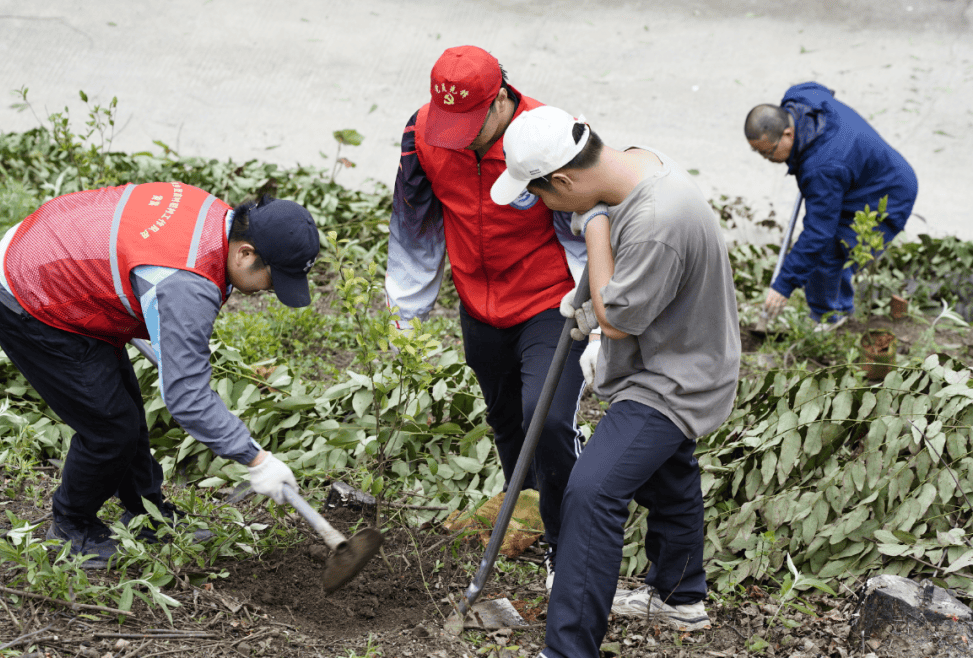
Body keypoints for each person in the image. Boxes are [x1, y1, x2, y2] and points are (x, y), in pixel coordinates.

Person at [491, 106, 740, 657]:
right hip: (681, 352)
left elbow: (618, 320)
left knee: (592, 490)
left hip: (676, 379)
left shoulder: (654, 221)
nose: (548, 209)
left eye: (543, 197)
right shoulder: (634, 164)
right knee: (666, 467)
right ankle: (679, 597)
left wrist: (595, 226)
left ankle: (568, 649)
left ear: (562, 179)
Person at [0, 182, 318, 568]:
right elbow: (186, 399)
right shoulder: (185, 285)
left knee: (123, 408)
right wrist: (256, 460)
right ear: (246, 253)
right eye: (274, 280)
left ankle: (147, 515)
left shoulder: (212, 214)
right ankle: (70, 528)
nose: (270, 291)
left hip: (52, 249)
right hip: (32, 296)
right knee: (109, 428)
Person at [384, 45, 590, 586]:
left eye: (471, 123)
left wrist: (596, 305)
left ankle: (565, 548)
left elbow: (588, 222)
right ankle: (529, 511)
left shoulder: (547, 134)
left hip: (549, 300)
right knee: (508, 423)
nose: (461, 136)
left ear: (500, 98)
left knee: (544, 419)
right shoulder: (423, 133)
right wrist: (406, 312)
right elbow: (415, 220)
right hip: (478, 302)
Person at [745, 82, 918, 328]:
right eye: (758, 153)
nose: (767, 159)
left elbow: (818, 232)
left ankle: (830, 319)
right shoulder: (799, 98)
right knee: (827, 246)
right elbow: (819, 89)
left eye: (769, 152)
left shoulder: (822, 169)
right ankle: (838, 307)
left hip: (887, 194)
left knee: (830, 252)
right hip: (859, 177)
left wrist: (784, 285)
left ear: (788, 134)